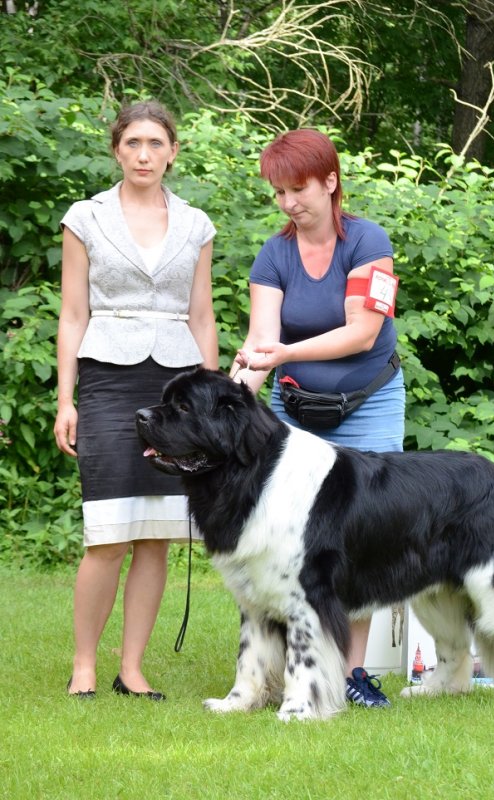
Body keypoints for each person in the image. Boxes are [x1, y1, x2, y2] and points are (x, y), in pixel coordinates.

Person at [230, 128, 405, 708]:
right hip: (295, 413)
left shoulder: (369, 242)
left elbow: (363, 332)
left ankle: (353, 674)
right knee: (289, 543)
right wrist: (231, 400)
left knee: (362, 533)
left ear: (330, 182)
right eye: (278, 192)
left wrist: (284, 355)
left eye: (298, 188)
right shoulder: (273, 253)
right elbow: (261, 340)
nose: (288, 203)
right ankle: (287, 669)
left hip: (369, 404)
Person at [54, 100, 218, 700]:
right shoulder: (86, 217)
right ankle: (85, 666)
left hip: (176, 382)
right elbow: (73, 314)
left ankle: (132, 668)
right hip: (106, 378)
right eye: (132, 144)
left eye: (155, 143)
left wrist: (211, 398)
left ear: (173, 150)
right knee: (108, 531)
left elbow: (202, 313)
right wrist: (66, 398)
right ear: (116, 150)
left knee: (155, 532)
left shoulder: (197, 224)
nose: (144, 154)